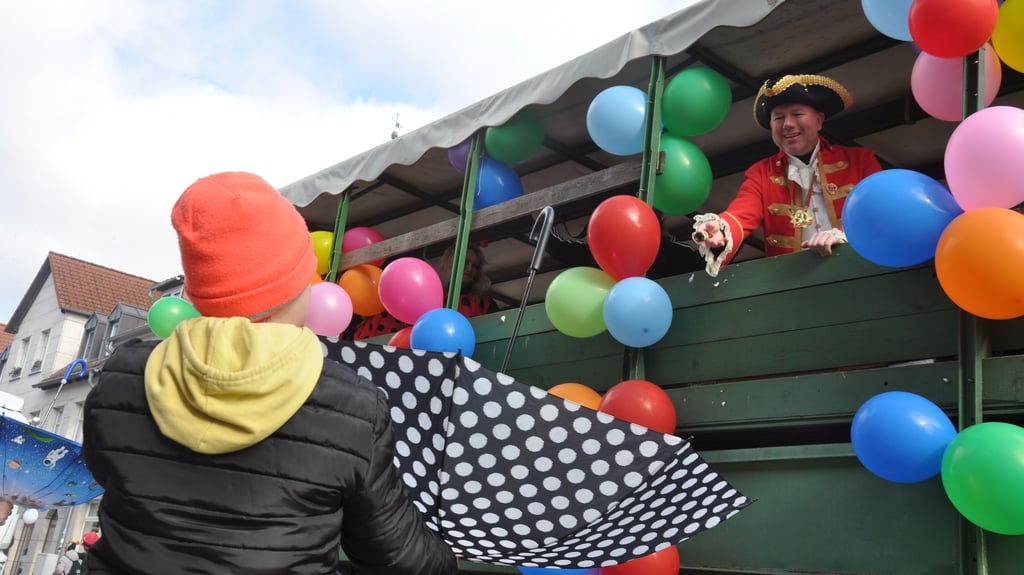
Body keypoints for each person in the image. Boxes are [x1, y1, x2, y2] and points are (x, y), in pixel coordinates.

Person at [82, 172, 457, 574]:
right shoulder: (354, 408)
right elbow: (399, 559)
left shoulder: (122, 378)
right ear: (295, 286)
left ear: (197, 288)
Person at [693, 74, 883, 277]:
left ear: (819, 121)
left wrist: (843, 236)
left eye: (797, 114)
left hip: (864, 271)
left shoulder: (860, 160)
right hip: (795, 285)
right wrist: (720, 229)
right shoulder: (761, 173)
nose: (788, 124)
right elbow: (740, 215)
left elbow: (883, 211)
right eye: (779, 117)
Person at [437, 242, 498, 318]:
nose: (470, 269)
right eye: (465, 262)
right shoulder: (437, 297)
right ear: (451, 263)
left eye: (475, 266)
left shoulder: (485, 303)